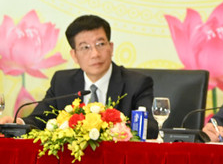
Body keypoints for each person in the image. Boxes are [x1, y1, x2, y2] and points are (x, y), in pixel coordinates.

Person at [0, 14, 158, 139]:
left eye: (100, 44)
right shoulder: (62, 82)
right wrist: (17, 123)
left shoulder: (137, 83)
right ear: (74, 55)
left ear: (111, 48)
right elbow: (40, 119)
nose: (95, 54)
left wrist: (111, 128)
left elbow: (150, 128)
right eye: (85, 47)